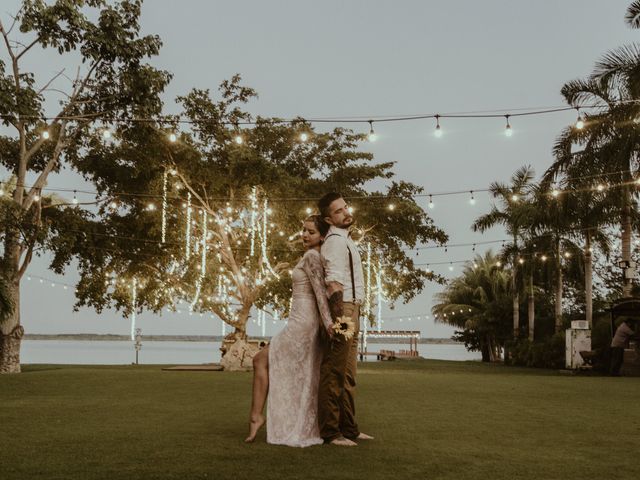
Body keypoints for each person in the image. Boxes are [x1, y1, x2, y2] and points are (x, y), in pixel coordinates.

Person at [245, 215, 333, 447]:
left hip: (303, 324)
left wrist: (329, 324)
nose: (304, 235)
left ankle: (257, 417)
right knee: (279, 366)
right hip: (298, 319)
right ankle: (259, 417)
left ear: (322, 236)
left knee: (260, 359)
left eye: (311, 232)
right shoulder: (310, 256)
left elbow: (321, 295)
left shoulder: (313, 257)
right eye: (303, 230)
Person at [317, 192, 374, 447]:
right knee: (334, 372)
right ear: (329, 218)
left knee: (349, 375)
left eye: (345, 207)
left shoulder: (346, 240)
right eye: (338, 211)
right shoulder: (334, 242)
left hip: (354, 308)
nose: (345, 212)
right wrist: (340, 320)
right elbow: (333, 283)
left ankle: (349, 428)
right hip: (344, 309)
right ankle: (330, 432)